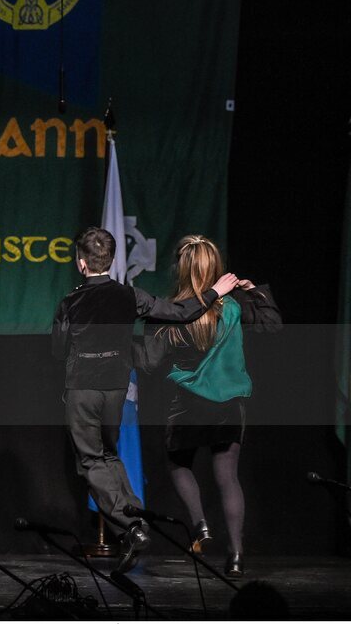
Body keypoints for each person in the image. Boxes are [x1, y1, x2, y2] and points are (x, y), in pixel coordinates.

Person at [51, 227, 239, 573]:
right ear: (111, 260)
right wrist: (214, 292)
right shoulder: (130, 296)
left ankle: (132, 526)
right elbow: (180, 312)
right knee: (108, 455)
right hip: (115, 390)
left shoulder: (69, 302)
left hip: (82, 389)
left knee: (90, 462)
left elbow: (58, 350)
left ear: (81, 264)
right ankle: (135, 517)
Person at [134, 235, 280, 578]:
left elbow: (149, 365)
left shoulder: (170, 312)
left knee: (177, 464)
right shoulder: (235, 307)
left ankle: (200, 524)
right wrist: (255, 290)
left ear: (180, 269)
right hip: (230, 403)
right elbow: (273, 325)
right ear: (215, 268)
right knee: (228, 477)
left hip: (187, 403)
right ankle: (236, 556)